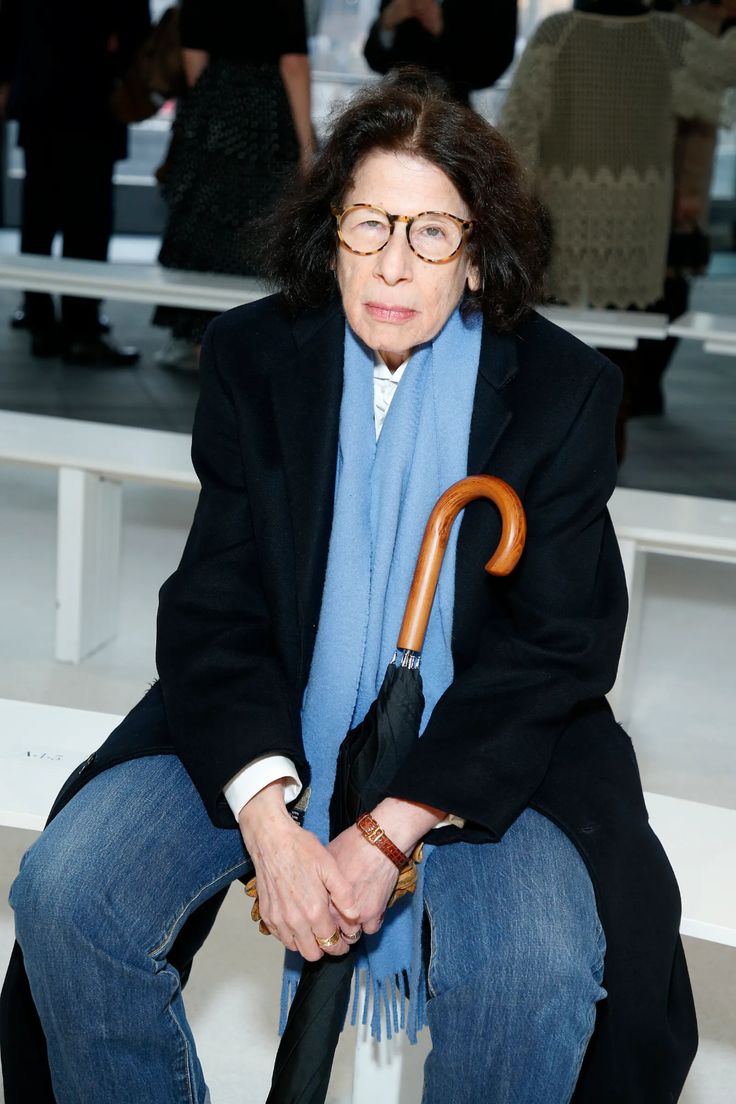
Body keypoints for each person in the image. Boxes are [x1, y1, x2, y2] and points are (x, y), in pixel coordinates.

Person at [1, 70, 697, 1104]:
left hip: (490, 745)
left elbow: (555, 646)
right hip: (268, 707)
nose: (391, 264)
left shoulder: (560, 390)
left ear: (477, 254)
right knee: (69, 893)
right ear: (329, 231)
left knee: (530, 973)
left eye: (429, 233)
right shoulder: (255, 356)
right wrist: (271, 825)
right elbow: (216, 604)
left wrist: (386, 826)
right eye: (368, 223)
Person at [498, 0, 736, 432]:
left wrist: (517, 211)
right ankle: (605, 448)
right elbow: (724, 73)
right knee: (618, 361)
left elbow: (519, 129)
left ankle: (561, 449)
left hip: (564, 218)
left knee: (554, 346)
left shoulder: (559, 31)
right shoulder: (670, 35)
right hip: (632, 222)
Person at [152, 0, 313, 372]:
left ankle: (200, 343)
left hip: (213, 112)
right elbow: (294, 64)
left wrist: (213, 114)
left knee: (205, 234)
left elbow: (193, 60)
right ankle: (247, 348)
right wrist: (306, 151)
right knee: (257, 235)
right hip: (266, 120)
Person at [0, 0, 150, 367]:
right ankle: (80, 325)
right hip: (92, 102)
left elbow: (9, 28)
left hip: (42, 97)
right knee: (88, 221)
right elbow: (136, 34)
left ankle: (39, 313)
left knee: (40, 212)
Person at [364, 0, 518, 103]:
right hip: (397, 101)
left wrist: (442, 30)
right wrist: (387, 23)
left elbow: (494, 62)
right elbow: (374, 57)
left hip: (454, 110)